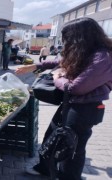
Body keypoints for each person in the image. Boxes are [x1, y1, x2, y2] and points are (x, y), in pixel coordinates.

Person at [15, 17, 112, 179]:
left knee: (73, 147)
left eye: (69, 38)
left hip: (85, 109)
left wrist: (57, 77)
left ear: (80, 37)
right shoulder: (87, 52)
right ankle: (44, 168)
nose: (66, 42)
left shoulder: (104, 57)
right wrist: (35, 66)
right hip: (70, 104)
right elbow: (61, 61)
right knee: (51, 136)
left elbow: (77, 88)